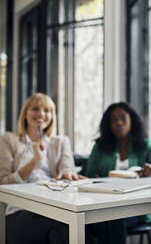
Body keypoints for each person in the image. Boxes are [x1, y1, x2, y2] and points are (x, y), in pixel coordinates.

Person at [0, 93, 91, 244]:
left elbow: (67, 170)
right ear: (25, 113)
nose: (41, 114)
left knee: (67, 222)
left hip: (55, 208)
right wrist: (35, 160)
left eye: (47, 110)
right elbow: (3, 183)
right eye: (35, 109)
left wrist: (67, 174)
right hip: (18, 214)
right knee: (63, 221)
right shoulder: (9, 140)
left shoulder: (60, 142)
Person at [86, 101, 151, 244]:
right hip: (103, 204)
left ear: (132, 120)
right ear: (108, 125)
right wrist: (95, 179)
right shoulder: (99, 146)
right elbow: (89, 174)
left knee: (112, 218)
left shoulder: (144, 144)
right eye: (114, 120)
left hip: (135, 209)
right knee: (103, 218)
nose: (119, 123)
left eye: (123, 118)